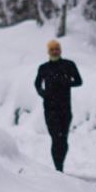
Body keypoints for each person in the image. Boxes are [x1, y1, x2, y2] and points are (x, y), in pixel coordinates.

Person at [34, 39, 82, 172]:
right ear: (48, 52)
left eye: (57, 49)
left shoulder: (68, 65)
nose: (55, 52)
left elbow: (79, 81)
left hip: (65, 108)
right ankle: (58, 168)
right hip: (50, 109)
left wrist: (66, 82)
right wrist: (43, 93)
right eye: (52, 50)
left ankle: (60, 165)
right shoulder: (44, 68)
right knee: (56, 138)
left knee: (63, 139)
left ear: (60, 51)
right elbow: (37, 84)